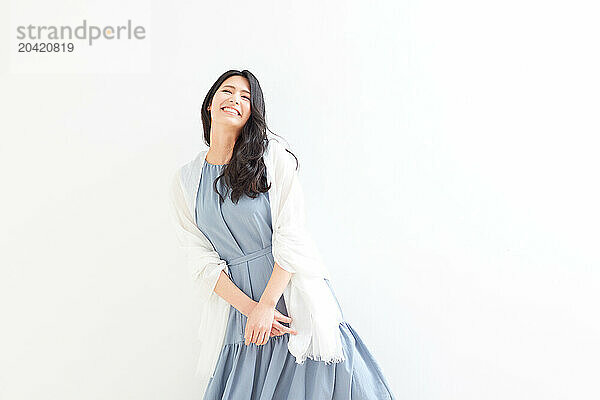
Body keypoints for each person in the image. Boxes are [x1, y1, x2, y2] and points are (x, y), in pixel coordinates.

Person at [169, 69, 396, 399]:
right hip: (241, 313)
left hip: (291, 299)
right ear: (210, 104)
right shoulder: (186, 181)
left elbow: (292, 236)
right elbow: (199, 258)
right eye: (227, 91)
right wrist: (253, 309)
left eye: (245, 97)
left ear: (252, 113)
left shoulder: (271, 158)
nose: (234, 99)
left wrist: (268, 305)